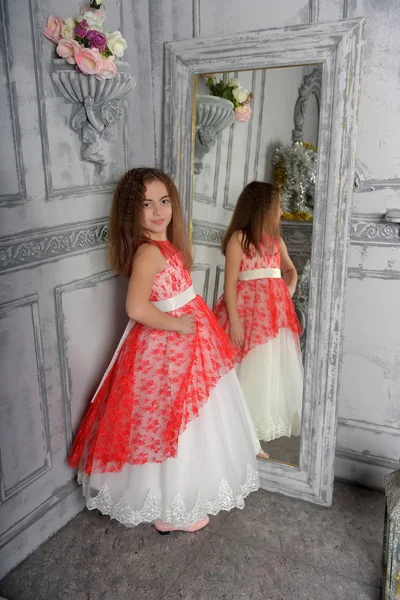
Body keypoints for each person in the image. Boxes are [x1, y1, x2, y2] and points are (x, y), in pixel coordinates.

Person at [68, 167, 260, 534]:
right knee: (169, 422)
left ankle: (179, 498)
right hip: (166, 346)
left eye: (164, 201)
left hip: (187, 344)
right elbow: (136, 308)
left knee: (188, 421)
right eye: (146, 204)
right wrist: (179, 325)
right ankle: (170, 509)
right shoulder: (148, 254)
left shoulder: (164, 246)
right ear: (131, 211)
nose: (158, 211)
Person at [213, 181, 303, 456]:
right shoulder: (239, 239)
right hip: (245, 314)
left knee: (265, 372)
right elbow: (229, 285)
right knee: (243, 369)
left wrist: (285, 292)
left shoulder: (276, 242)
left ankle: (252, 435)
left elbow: (290, 271)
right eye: (277, 207)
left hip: (272, 319)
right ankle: (238, 433)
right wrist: (236, 322)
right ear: (262, 209)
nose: (280, 212)